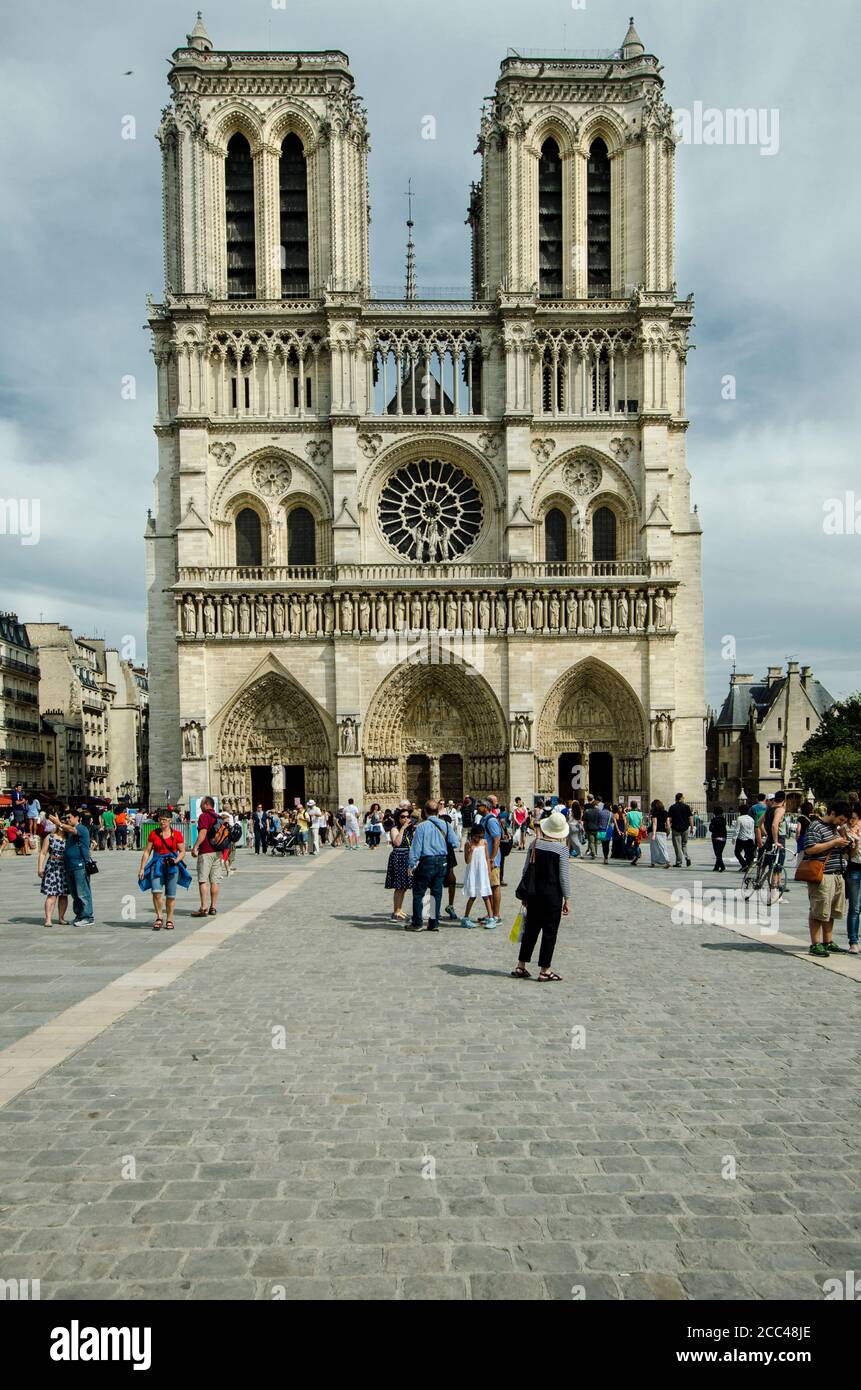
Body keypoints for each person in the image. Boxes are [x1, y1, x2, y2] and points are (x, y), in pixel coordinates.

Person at [511, 808, 570, 982]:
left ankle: (521, 966)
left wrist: (525, 893)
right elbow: (564, 877)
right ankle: (545, 970)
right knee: (549, 932)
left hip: (534, 893)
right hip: (552, 896)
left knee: (531, 929)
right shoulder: (562, 849)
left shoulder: (534, 844)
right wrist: (567, 899)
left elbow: (525, 870)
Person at [802, 800, 851, 957]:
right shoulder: (816, 826)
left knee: (830, 911)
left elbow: (839, 848)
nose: (842, 823)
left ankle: (827, 941)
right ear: (832, 813)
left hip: (837, 874)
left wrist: (845, 840)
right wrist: (834, 842)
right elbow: (809, 849)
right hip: (822, 875)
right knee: (818, 910)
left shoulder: (834, 829)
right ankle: (815, 944)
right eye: (841, 819)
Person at [406, 800, 459, 932]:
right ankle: (433, 923)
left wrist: (411, 864)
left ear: (424, 811)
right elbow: (455, 842)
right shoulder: (446, 825)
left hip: (426, 861)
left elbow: (416, 848)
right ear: (437, 811)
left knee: (419, 892)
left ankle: (418, 923)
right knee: (436, 893)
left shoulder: (422, 827)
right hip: (442, 862)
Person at [138, 809, 190, 930]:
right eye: (160, 820)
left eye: (165, 820)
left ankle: (170, 918)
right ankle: (159, 916)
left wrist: (176, 860)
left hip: (172, 866)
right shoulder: (154, 833)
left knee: (171, 895)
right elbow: (147, 852)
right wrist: (142, 868)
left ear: (170, 821)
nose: (162, 823)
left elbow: (182, 851)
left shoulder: (176, 834)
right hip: (157, 865)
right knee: (156, 892)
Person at [49, 808, 94, 926]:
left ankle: (87, 917)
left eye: (70, 817)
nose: (68, 819)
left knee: (82, 892)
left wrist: (59, 823)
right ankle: (79, 915)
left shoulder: (81, 828)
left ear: (77, 818)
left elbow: (73, 830)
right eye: (66, 818)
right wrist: (58, 824)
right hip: (69, 866)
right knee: (74, 894)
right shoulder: (67, 830)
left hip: (80, 865)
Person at [190, 796, 223, 917]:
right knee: (215, 881)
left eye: (201, 804)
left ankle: (203, 907)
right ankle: (213, 907)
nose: (200, 806)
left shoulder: (204, 816)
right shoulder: (218, 817)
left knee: (203, 880)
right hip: (218, 852)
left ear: (206, 804)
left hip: (206, 852)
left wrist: (195, 847)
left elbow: (202, 833)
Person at [474, 796, 503, 928]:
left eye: (479, 805)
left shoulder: (490, 821)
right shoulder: (485, 819)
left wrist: (492, 858)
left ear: (485, 807)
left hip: (492, 860)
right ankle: (490, 914)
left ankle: (496, 915)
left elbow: (497, 839)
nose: (476, 807)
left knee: (495, 886)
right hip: (487, 859)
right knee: (489, 886)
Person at [38, 817, 69, 927]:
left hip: (65, 867)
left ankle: (61, 918)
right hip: (52, 865)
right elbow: (43, 853)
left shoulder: (69, 838)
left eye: (65, 824)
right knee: (51, 895)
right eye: (62, 824)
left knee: (64, 895)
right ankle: (48, 919)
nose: (63, 827)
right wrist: (40, 868)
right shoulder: (50, 837)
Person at [385, 807, 414, 920]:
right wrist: (402, 829)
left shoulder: (410, 830)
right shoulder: (395, 829)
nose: (406, 819)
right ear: (398, 818)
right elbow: (397, 842)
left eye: (408, 816)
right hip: (398, 857)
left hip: (407, 858)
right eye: (403, 817)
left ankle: (400, 909)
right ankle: (395, 911)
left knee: (404, 887)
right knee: (398, 886)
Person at [461, 824, 493, 927]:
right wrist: (471, 850)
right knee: (472, 895)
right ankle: (466, 918)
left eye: (481, 836)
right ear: (473, 835)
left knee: (486, 895)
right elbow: (467, 861)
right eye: (478, 836)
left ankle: (491, 918)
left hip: (482, 872)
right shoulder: (468, 844)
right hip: (473, 872)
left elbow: (487, 858)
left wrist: (489, 870)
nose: (479, 838)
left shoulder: (484, 843)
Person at [844, 803, 861, 954]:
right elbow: (851, 854)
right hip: (855, 868)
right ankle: (853, 942)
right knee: (855, 908)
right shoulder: (845, 832)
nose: (851, 821)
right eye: (849, 819)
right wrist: (855, 843)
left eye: (854, 819)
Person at [668, 792, 693, 867]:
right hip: (685, 828)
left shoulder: (672, 807)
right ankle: (687, 857)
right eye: (683, 797)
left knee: (677, 846)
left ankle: (679, 862)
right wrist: (691, 827)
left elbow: (669, 819)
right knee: (684, 845)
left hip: (676, 829)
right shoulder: (686, 807)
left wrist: (669, 827)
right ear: (681, 798)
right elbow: (690, 818)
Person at [648, 798, 670, 867]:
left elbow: (654, 824)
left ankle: (654, 863)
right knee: (663, 847)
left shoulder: (654, 813)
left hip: (655, 832)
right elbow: (668, 824)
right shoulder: (665, 812)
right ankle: (666, 861)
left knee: (653, 848)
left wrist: (654, 834)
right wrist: (668, 832)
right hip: (663, 832)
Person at [734, 803, 756, 870]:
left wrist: (734, 839)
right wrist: (753, 839)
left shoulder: (739, 818)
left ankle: (744, 864)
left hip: (741, 839)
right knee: (748, 854)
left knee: (737, 852)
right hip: (750, 839)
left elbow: (737, 830)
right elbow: (752, 830)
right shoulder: (751, 819)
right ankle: (747, 866)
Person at [709, 804, 727, 872]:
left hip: (716, 838)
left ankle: (722, 866)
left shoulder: (714, 820)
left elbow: (710, 829)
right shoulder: (724, 819)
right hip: (723, 838)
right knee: (719, 853)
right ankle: (716, 867)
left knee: (718, 854)